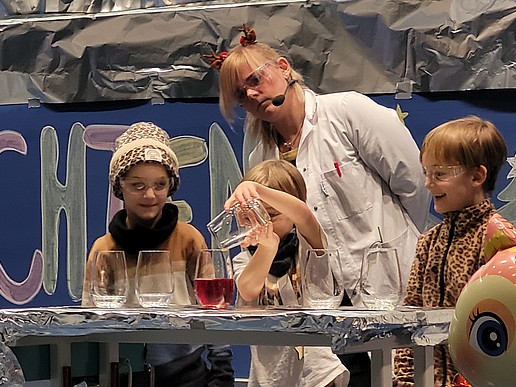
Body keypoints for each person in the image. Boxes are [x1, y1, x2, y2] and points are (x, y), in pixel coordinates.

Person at [216, 24, 431, 386]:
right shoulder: (260, 153)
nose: (252, 94)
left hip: (387, 284)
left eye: (255, 79)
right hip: (324, 303)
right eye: (241, 95)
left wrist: (391, 243)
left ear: (283, 67)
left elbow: (414, 182)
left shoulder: (347, 111)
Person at [82, 122, 234, 387]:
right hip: (124, 375)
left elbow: (213, 312)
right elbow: (91, 320)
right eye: (138, 186)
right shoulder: (104, 249)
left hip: (188, 376)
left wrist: (222, 371)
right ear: (120, 187)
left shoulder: (189, 239)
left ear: (171, 186)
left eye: (159, 185)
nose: (150, 195)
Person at [393, 116, 508, 386]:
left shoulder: (499, 241)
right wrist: (404, 379)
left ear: (478, 176)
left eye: (440, 174)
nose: (428, 184)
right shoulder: (428, 242)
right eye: (427, 173)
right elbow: (410, 319)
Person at [225, 159, 349, 387]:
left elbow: (304, 215)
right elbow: (248, 290)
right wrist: (268, 247)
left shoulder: (308, 245)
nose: (262, 222)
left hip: (317, 376)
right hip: (267, 378)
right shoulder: (244, 257)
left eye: (272, 214)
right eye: (254, 214)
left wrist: (257, 190)